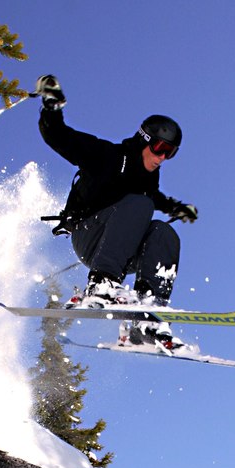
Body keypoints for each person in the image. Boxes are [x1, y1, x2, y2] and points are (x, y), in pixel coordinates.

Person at [36, 75, 197, 348]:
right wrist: (51, 107)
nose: (162, 157)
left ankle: (146, 315)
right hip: (89, 236)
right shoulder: (107, 156)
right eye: (160, 148)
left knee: (164, 232)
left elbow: (155, 198)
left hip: (121, 251)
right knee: (142, 204)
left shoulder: (148, 184)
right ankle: (101, 284)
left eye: (170, 153)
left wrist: (175, 208)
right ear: (144, 140)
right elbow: (59, 136)